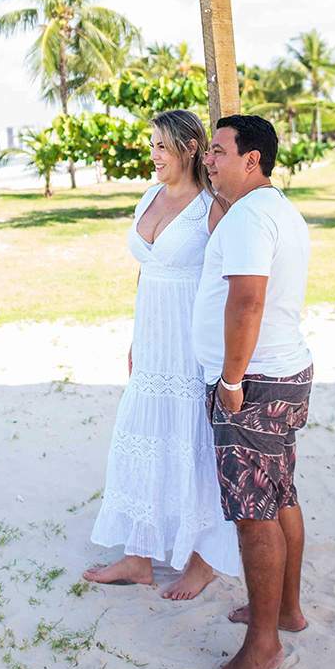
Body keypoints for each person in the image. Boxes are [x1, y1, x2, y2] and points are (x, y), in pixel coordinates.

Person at [84, 110, 241, 598]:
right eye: (150, 145)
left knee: (190, 440)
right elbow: (146, 271)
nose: (152, 155)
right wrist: (135, 336)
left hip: (190, 340)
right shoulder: (148, 195)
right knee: (144, 432)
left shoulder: (211, 207)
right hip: (152, 337)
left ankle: (200, 559)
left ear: (190, 147)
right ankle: (138, 556)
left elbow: (228, 279)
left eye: (160, 146)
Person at [193, 114, 313, 669]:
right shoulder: (277, 210)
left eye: (218, 152)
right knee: (279, 493)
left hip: (257, 381)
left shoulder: (249, 217)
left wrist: (232, 381)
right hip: (283, 371)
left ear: (252, 160)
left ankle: (263, 646)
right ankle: (286, 610)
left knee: (253, 513)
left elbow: (247, 303)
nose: (208, 160)